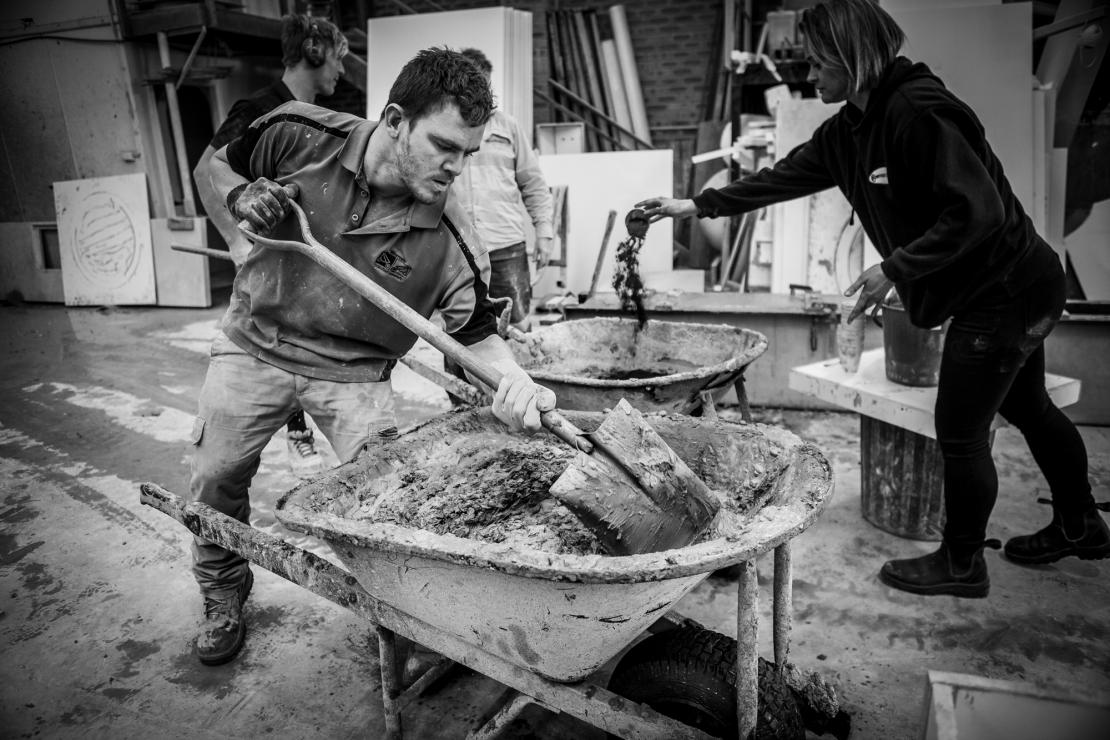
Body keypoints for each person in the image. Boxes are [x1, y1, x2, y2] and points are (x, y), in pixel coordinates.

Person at [636, 0, 1109, 599]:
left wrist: (896, 267)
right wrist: (696, 205)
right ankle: (1081, 523)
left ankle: (963, 562)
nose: (810, 76)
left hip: (1010, 289)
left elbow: (979, 212)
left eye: (818, 63)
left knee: (960, 430)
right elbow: (781, 178)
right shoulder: (848, 131)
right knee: (1032, 409)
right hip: (1006, 286)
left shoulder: (918, 112)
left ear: (852, 58)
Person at [190, 47, 556, 665]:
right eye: (444, 146)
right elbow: (212, 168)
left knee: (391, 508)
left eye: (468, 153)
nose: (456, 168)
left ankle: (404, 617)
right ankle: (223, 590)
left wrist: (514, 379)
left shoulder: (455, 235)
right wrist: (238, 204)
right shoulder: (295, 132)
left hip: (355, 372)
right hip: (254, 342)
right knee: (215, 477)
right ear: (394, 119)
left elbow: (474, 336)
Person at [193, 13, 349, 480]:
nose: (341, 70)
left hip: (305, 269)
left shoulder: (325, 120)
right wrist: (237, 240)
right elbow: (207, 170)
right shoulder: (263, 106)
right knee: (268, 348)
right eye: (338, 57)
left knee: (308, 347)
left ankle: (305, 432)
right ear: (315, 50)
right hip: (265, 273)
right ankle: (295, 438)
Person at [454, 47, 555, 332]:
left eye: (485, 84)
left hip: (506, 244)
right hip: (458, 247)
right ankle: (459, 377)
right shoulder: (446, 127)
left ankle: (522, 376)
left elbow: (533, 183)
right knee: (461, 328)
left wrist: (544, 233)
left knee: (518, 323)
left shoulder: (507, 127)